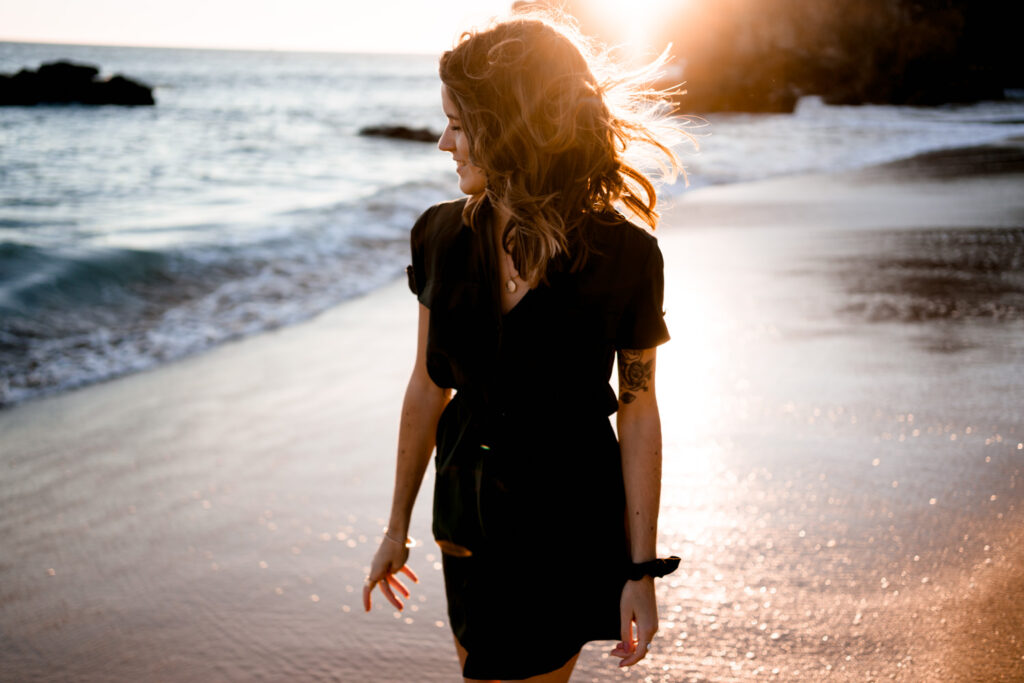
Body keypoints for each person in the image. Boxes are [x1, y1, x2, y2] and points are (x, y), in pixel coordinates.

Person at [363, 10, 687, 682]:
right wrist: (396, 526)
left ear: (509, 123)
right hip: (466, 519)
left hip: (567, 525)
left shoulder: (625, 255)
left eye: (458, 121)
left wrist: (640, 569)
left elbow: (638, 411)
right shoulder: (439, 238)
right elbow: (428, 384)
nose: (443, 141)